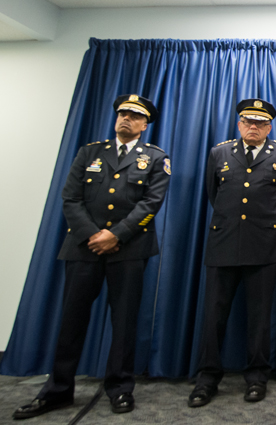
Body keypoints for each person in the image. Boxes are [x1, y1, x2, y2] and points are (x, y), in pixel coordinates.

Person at [13, 95, 171, 420]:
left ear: (145, 124)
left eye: (134, 115)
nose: (126, 118)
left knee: (124, 322)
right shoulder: (90, 152)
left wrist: (117, 235)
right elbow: (70, 198)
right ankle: (58, 390)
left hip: (130, 250)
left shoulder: (156, 158)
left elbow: (151, 203)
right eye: (123, 113)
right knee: (71, 320)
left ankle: (120, 388)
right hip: (83, 248)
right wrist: (92, 235)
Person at [189, 99, 276, 408]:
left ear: (269, 128)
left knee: (260, 319)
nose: (254, 127)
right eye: (248, 121)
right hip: (223, 244)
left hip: (264, 247)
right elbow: (214, 195)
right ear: (239, 124)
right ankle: (207, 379)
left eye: (260, 123)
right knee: (213, 317)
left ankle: (257, 377)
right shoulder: (219, 153)